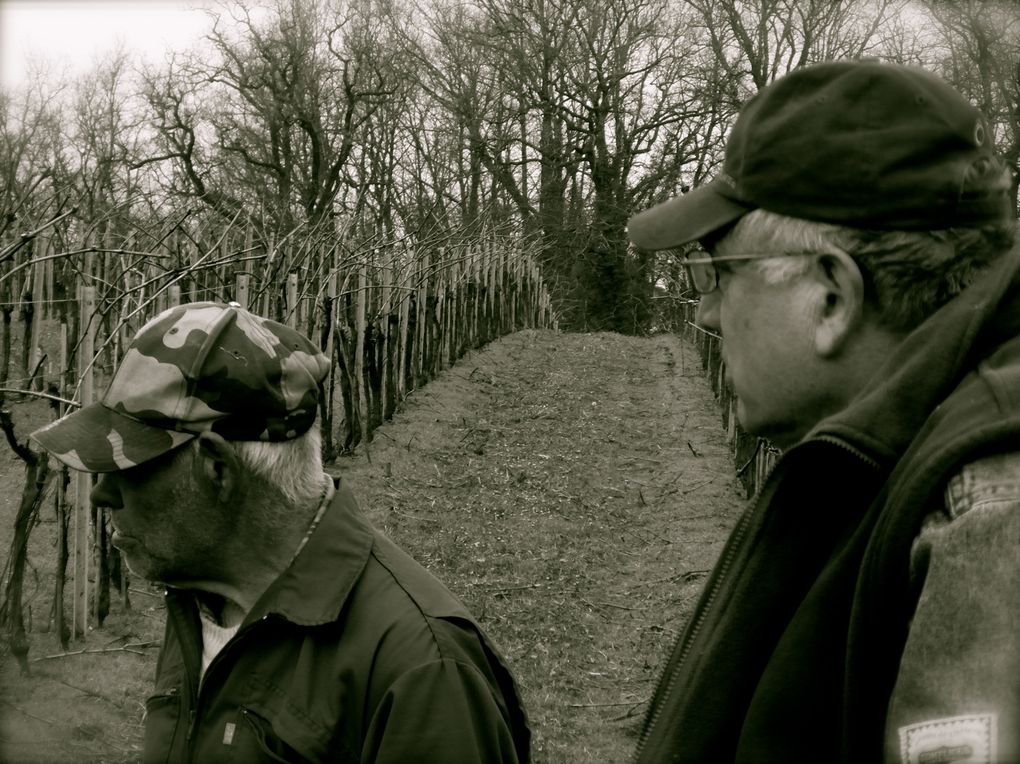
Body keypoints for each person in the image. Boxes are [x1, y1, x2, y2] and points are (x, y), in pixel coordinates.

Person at [626, 60, 1020, 763]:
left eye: (720, 273)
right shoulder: (891, 459)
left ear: (832, 296)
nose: (709, 314)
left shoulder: (990, 514)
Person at [30, 301, 530, 763]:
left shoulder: (422, 673)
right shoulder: (201, 595)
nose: (101, 495)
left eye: (128, 467)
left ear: (217, 470)